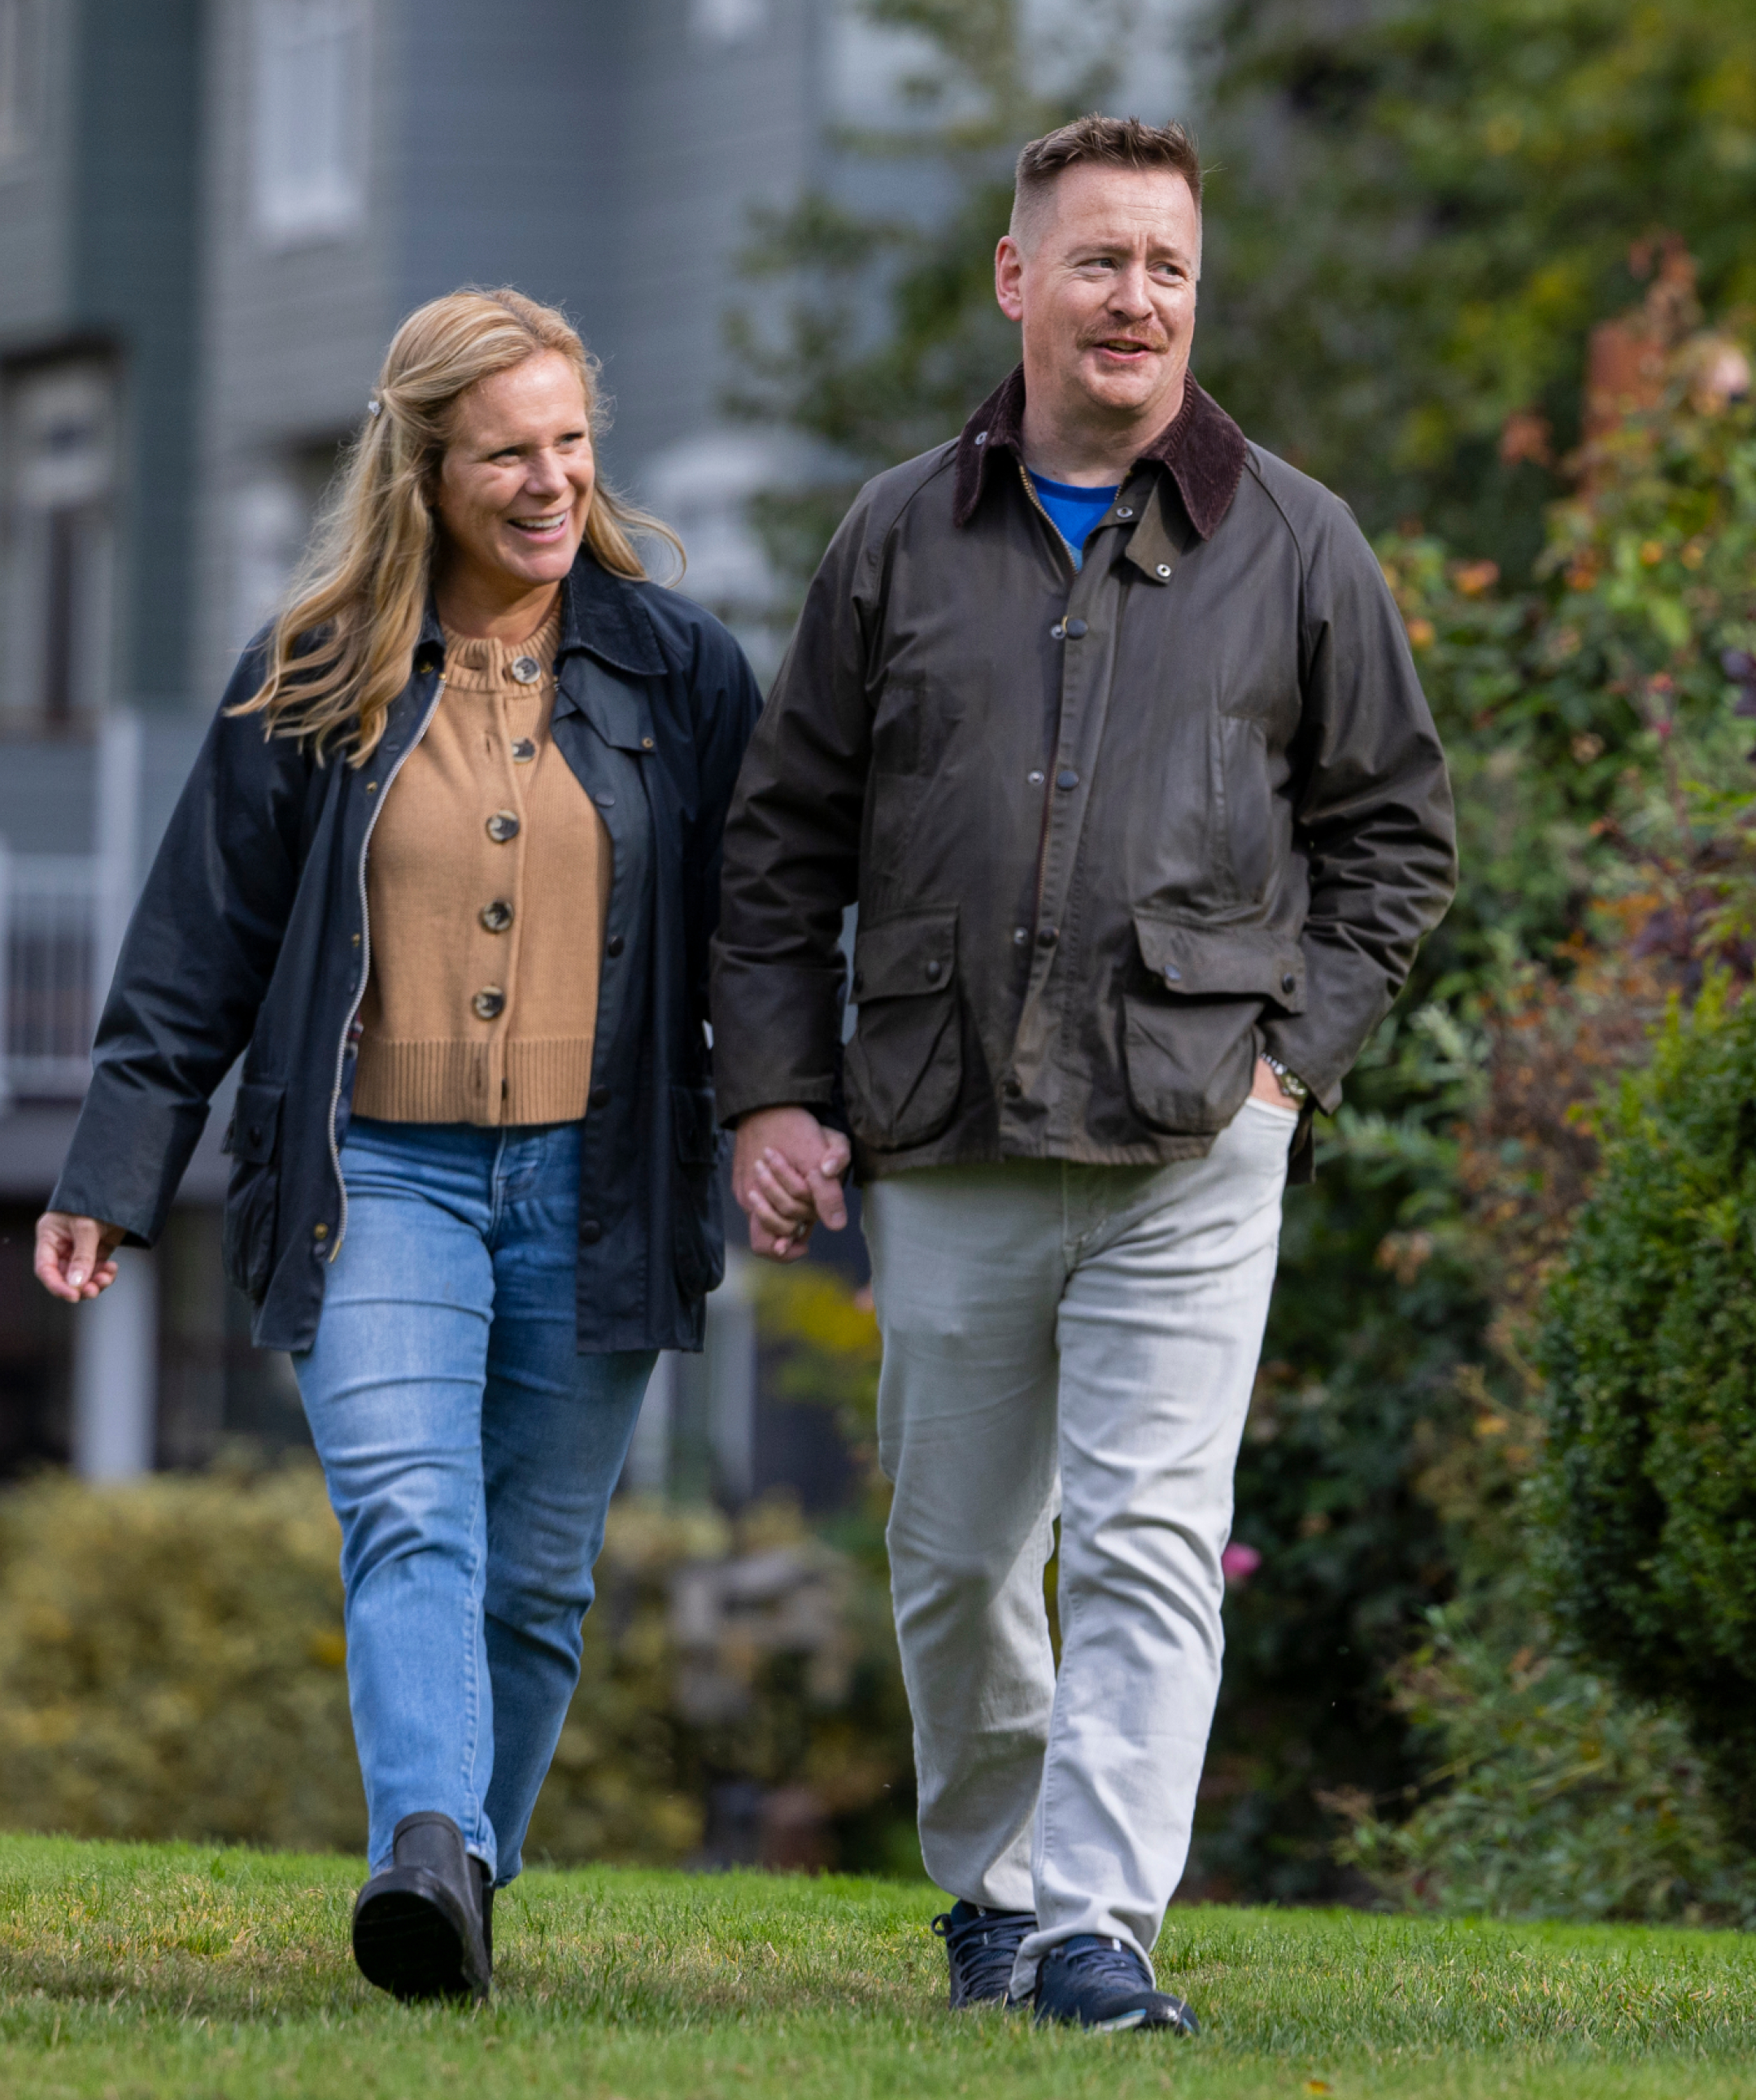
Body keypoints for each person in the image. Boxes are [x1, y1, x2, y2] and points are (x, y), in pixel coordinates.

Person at [712, 117, 1457, 2034]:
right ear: (1013, 277)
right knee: (959, 1563)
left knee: (1142, 1538)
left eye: (1169, 270)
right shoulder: (895, 534)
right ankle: (994, 1888)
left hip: (1198, 1132)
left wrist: (1293, 1065)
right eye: (1101, 260)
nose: (1136, 299)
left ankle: (1098, 1929)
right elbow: (784, 839)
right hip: (945, 1130)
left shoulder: (1294, 541)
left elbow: (1394, 839)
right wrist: (775, 1092)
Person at [33, 287, 760, 2004]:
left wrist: (797, 1115)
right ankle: (424, 1840)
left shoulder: (682, 668)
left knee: (535, 1582)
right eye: (507, 451)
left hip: (599, 1184)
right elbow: (196, 939)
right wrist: (112, 1166)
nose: (549, 480)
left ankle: (453, 1894)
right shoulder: (314, 667)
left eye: (571, 444)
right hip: (382, 1180)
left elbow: (760, 925)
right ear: (421, 463)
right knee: (410, 1518)